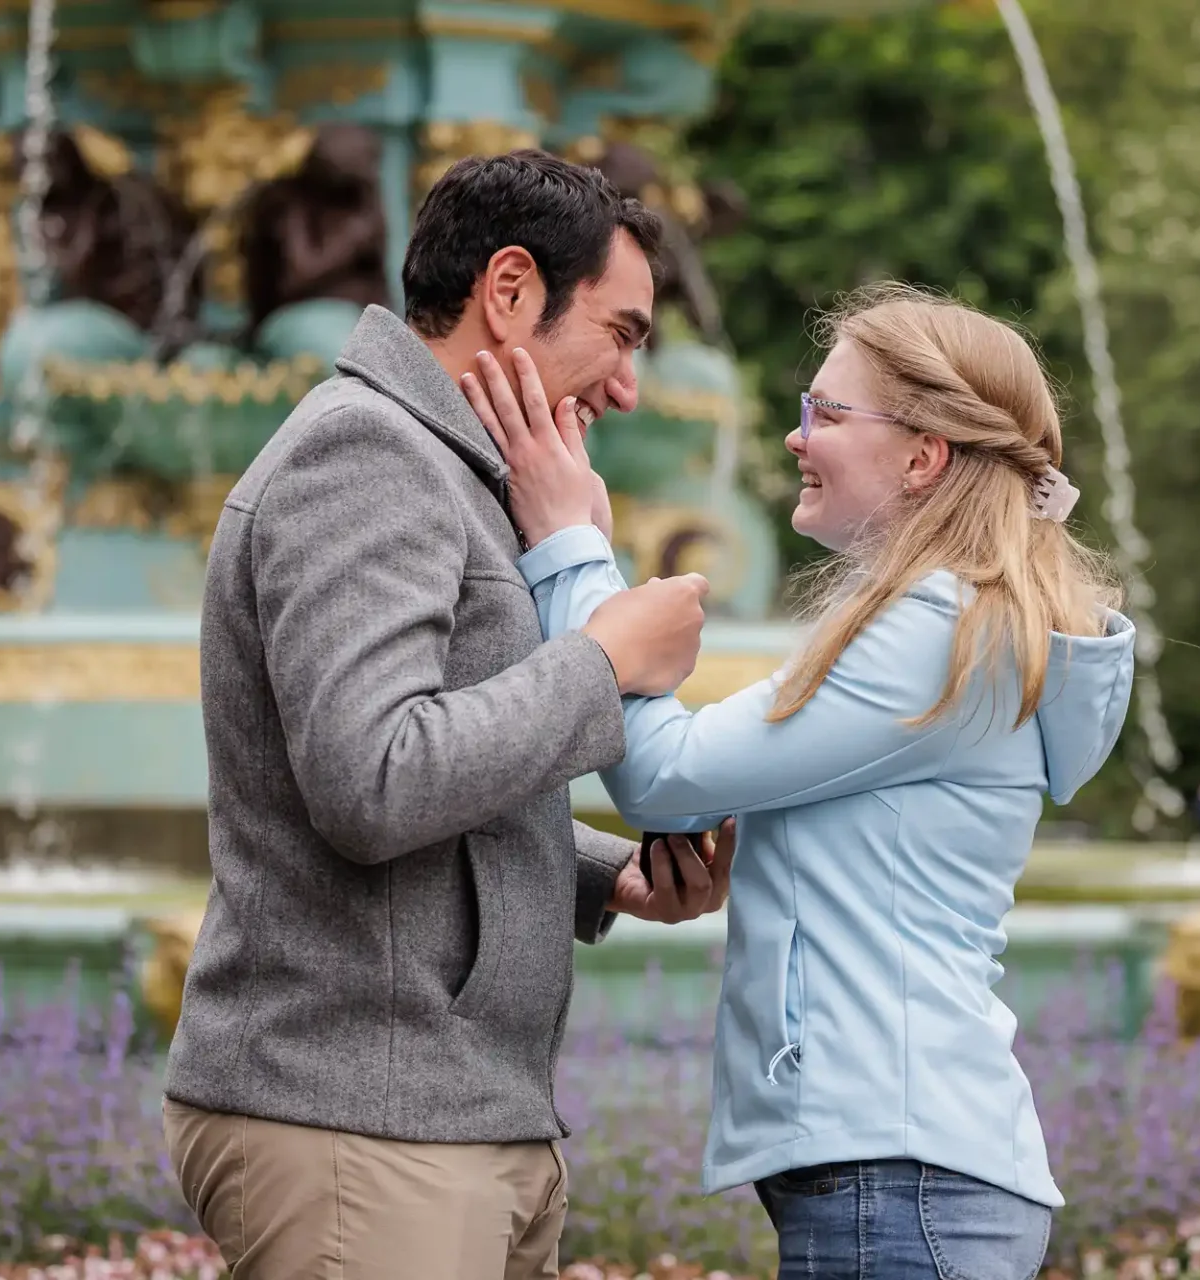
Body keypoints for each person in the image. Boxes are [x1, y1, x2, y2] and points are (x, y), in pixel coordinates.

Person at [463, 282, 1136, 1280]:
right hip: (915, 1172)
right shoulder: (961, 623)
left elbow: (664, 777)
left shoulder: (938, 627)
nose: (793, 435)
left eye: (826, 411)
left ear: (923, 454)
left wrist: (573, 548)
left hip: (900, 1176)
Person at [161, 150, 733, 1280]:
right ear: (509, 290)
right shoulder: (366, 452)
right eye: (622, 333)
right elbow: (372, 780)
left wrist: (597, 873)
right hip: (359, 1124)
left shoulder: (451, 471)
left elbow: (413, 761)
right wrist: (602, 662)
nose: (628, 386)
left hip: (446, 1122)